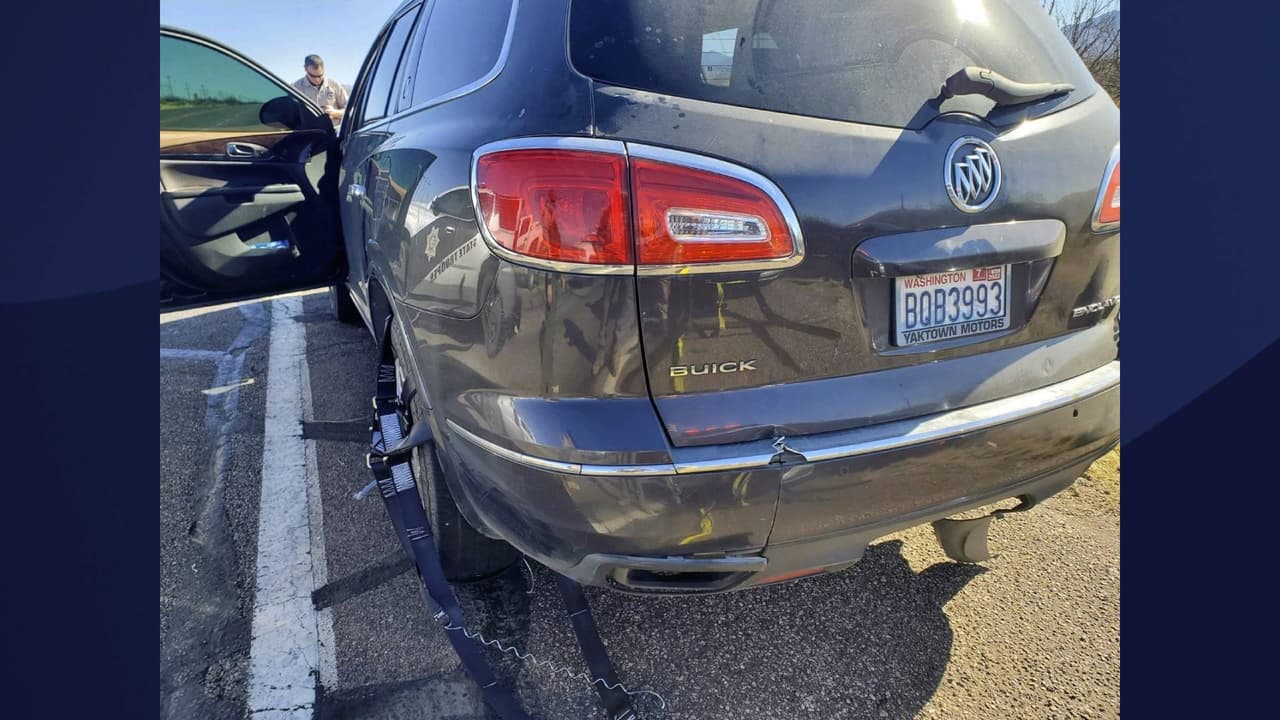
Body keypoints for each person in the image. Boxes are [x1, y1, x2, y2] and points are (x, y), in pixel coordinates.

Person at [292, 54, 348, 124]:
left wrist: (334, 113)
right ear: (305, 69)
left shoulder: (334, 85)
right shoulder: (296, 88)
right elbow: (292, 116)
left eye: (320, 75)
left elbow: (350, 111)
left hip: (334, 132)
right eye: (313, 76)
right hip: (308, 132)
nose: (317, 80)